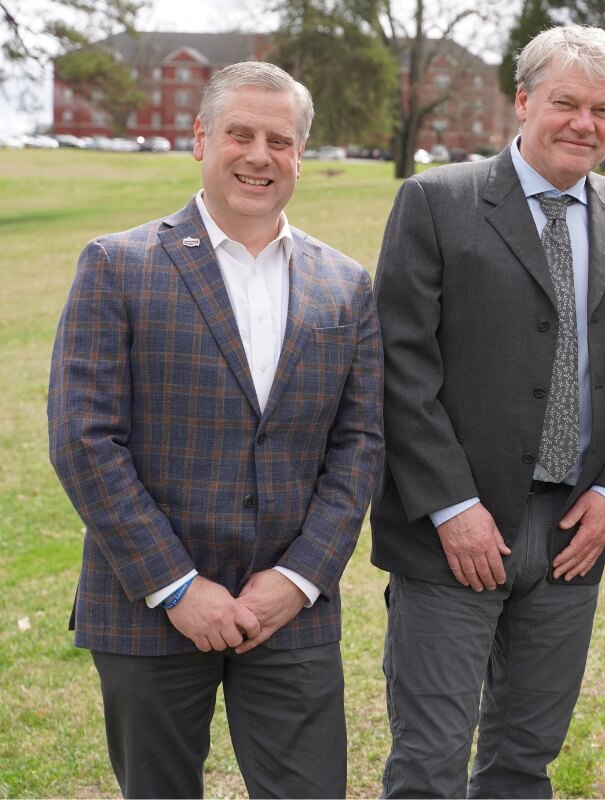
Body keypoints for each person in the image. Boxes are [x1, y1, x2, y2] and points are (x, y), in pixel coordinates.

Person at [47, 61, 384, 798]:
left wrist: (297, 580)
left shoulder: (346, 284)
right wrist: (175, 586)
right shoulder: (118, 265)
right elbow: (84, 439)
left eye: (279, 139)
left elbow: (359, 445)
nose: (259, 155)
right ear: (201, 137)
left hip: (289, 609)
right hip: (150, 605)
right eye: (240, 134)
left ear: (300, 154)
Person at [370, 25, 605, 799]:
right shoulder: (435, 203)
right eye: (566, 103)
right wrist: (451, 505)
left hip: (572, 533)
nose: (585, 123)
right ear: (521, 101)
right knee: (430, 763)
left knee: (523, 758)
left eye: (602, 110)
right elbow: (400, 367)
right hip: (454, 534)